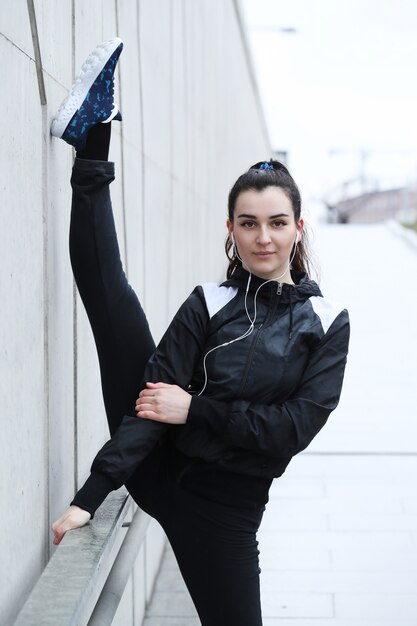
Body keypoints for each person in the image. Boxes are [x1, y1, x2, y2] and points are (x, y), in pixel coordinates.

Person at [50, 38, 350, 626]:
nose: (263, 238)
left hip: (222, 512)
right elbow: (150, 405)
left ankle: (91, 137)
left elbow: (291, 429)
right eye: (249, 224)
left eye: (276, 223)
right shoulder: (208, 303)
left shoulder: (326, 321)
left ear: (297, 227)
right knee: (116, 311)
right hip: (159, 467)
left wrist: (196, 411)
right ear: (232, 230)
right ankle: (93, 141)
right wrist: (91, 497)